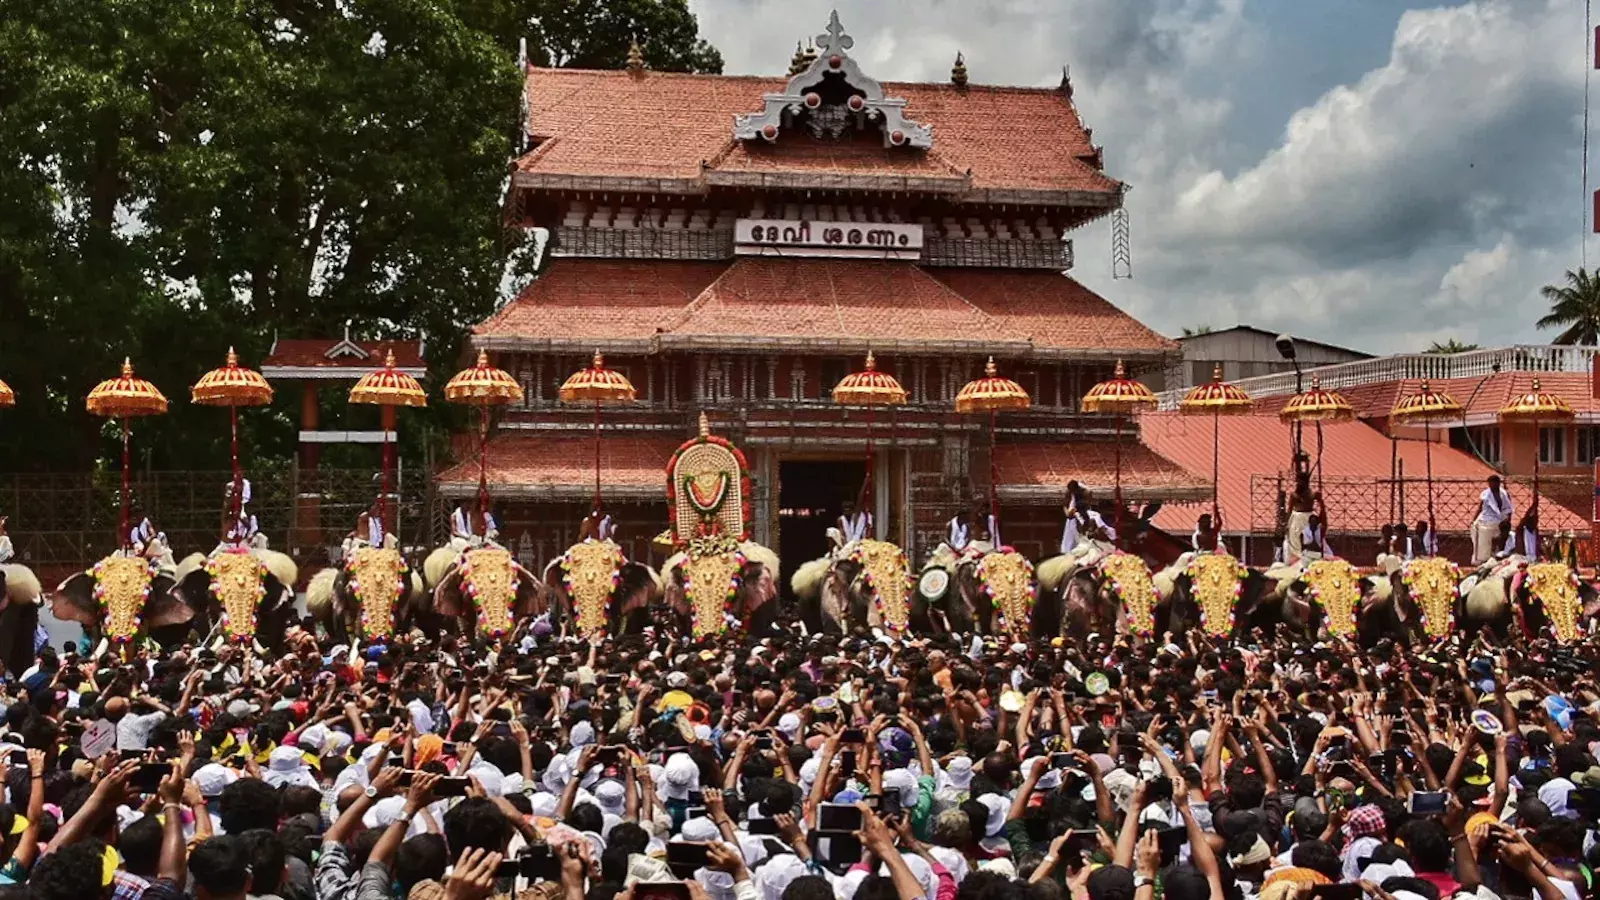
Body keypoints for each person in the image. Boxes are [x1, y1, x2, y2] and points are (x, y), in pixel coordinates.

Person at [1472, 474, 1513, 564]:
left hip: (1500, 519)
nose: (1493, 486)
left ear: (1499, 483)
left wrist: (1508, 519)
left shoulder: (1504, 494)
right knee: (1481, 534)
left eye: (1495, 483)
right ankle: (1482, 559)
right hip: (1486, 519)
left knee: (1507, 532)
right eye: (1491, 483)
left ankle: (1500, 553)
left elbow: (1509, 509)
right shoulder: (1486, 495)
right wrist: (1473, 519)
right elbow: (1480, 508)